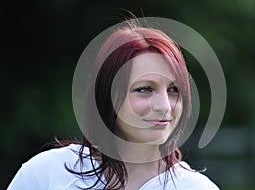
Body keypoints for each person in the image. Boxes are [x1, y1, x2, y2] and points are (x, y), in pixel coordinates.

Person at [7, 19, 219, 190]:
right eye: (144, 89)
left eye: (173, 90)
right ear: (108, 94)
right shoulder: (47, 174)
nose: (164, 106)